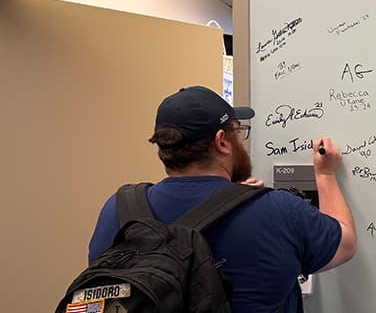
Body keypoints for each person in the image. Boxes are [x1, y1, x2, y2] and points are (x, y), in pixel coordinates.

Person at [87, 86, 357, 312]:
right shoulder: (277, 210)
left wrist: (234, 197)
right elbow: (345, 244)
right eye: (237, 132)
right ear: (222, 141)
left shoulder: (118, 210)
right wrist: (325, 175)